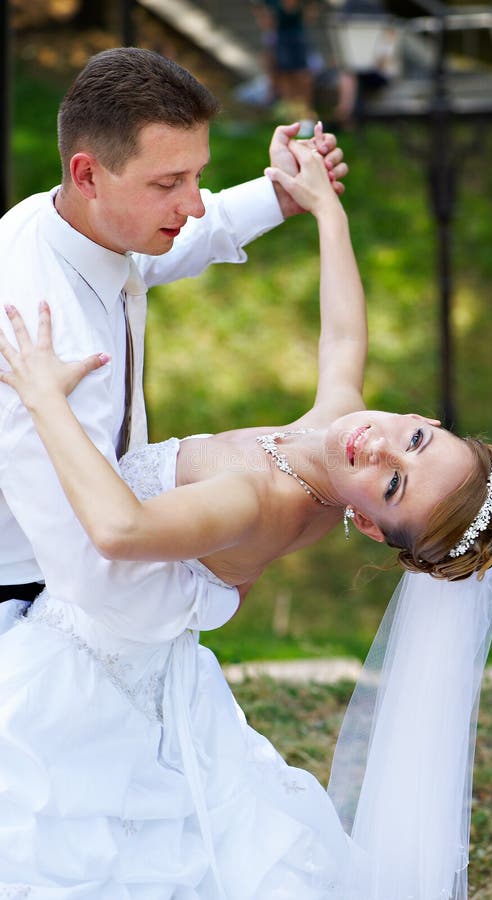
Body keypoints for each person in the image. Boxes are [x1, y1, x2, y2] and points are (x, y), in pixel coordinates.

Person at [0, 141, 492, 897]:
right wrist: (325, 210)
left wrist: (45, 401)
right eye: (413, 439)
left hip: (86, 658)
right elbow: (343, 337)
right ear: (419, 416)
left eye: (393, 486)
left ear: (373, 527)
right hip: (145, 645)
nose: (378, 448)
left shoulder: (260, 497)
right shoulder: (332, 439)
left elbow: (118, 530)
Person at [0, 46, 347, 619]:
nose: (194, 205)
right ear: (88, 174)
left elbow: (175, 241)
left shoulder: (65, 222)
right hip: (32, 604)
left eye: (197, 177)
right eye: (168, 184)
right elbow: (87, 558)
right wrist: (213, 595)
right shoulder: (41, 335)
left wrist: (278, 194)